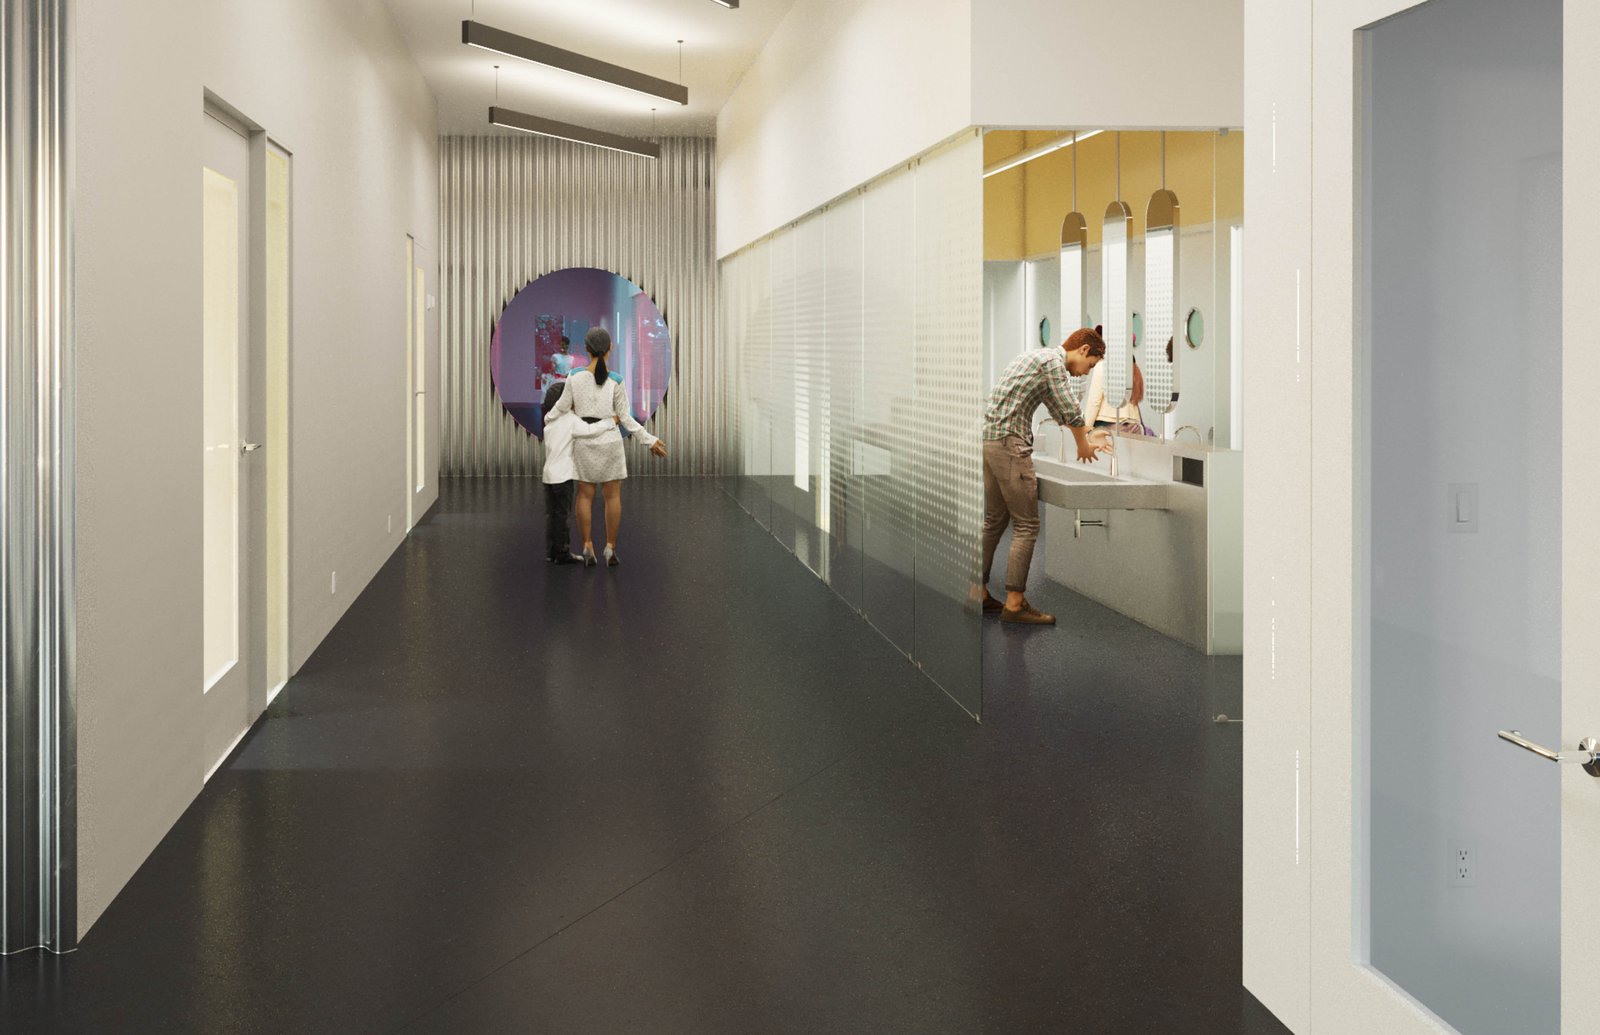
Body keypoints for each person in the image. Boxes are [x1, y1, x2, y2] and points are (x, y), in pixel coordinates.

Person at [978, 327, 1109, 625]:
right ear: (1084, 350)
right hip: (1011, 444)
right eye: (1089, 366)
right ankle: (1014, 604)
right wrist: (1083, 445)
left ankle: (978, 592)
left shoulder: (1035, 358)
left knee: (994, 521)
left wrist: (1087, 434)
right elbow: (1069, 409)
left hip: (990, 441)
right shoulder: (1054, 364)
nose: (1085, 375)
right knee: (1026, 525)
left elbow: (1059, 411)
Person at [543, 327, 668, 567]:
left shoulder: (574, 377)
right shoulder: (617, 380)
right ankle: (610, 548)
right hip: (610, 441)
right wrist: (648, 439)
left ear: (586, 349)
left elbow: (560, 407)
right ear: (610, 349)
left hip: (584, 442)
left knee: (585, 496)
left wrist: (548, 420)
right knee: (613, 497)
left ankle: (587, 546)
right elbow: (626, 418)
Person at [540, 380, 586, 565]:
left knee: (552, 516)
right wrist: (611, 422)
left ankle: (552, 552)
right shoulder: (570, 420)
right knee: (563, 515)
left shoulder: (549, 421)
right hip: (563, 477)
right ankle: (563, 553)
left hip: (548, 476)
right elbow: (590, 430)